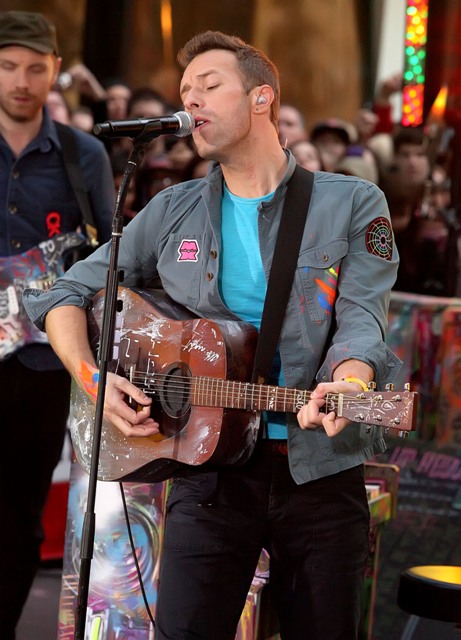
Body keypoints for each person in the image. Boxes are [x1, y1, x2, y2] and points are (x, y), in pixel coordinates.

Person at [24, 30, 401, 640]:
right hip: (207, 472)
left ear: (261, 98)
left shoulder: (352, 203)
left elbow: (362, 318)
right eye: (184, 91)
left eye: (209, 85)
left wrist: (351, 382)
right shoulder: (173, 210)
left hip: (318, 473)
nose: (191, 100)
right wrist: (94, 380)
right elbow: (62, 294)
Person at [0, 10, 115, 639]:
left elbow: (110, 253)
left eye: (35, 67)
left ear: (55, 72)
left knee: (19, 515)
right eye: (8, 66)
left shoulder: (82, 154)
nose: (22, 80)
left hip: (45, 363)